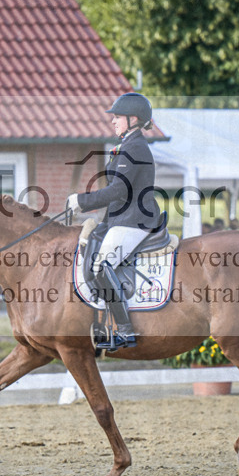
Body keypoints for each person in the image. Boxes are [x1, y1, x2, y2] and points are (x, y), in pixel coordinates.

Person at [66, 92, 162, 351]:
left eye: (117, 117)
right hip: (122, 219)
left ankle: (126, 330)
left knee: (101, 266)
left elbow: (118, 190)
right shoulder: (126, 145)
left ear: (133, 119)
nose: (113, 121)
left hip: (135, 221)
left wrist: (82, 201)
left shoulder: (136, 148)